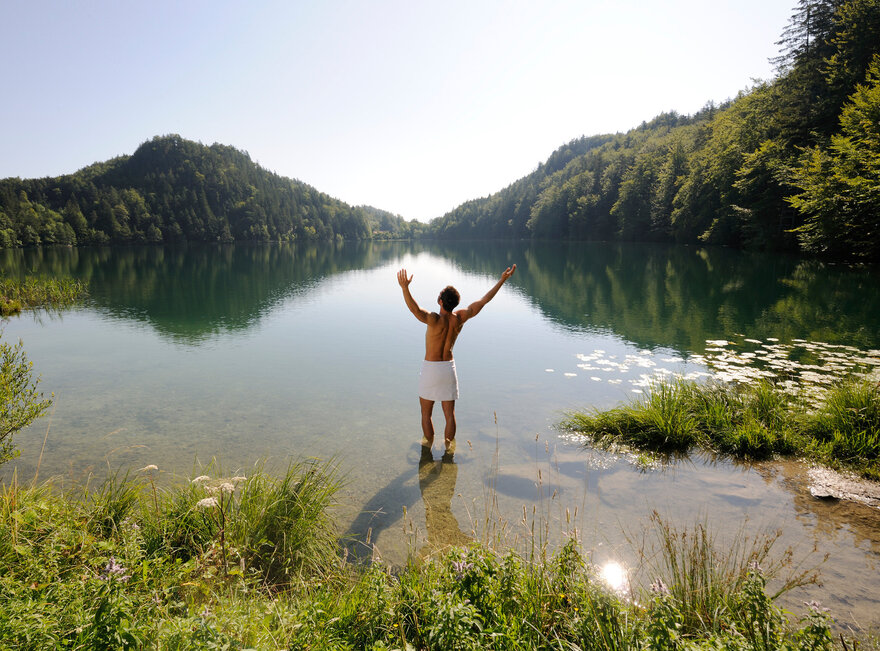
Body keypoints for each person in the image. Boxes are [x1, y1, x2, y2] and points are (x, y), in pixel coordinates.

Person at [397, 264, 516, 454]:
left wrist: (405, 288)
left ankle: (427, 449)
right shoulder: (460, 318)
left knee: (426, 414)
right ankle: (448, 452)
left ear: (440, 301)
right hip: (448, 369)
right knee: (449, 416)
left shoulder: (433, 319)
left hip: (431, 369)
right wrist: (501, 280)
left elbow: (415, 309)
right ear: (455, 304)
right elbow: (483, 301)